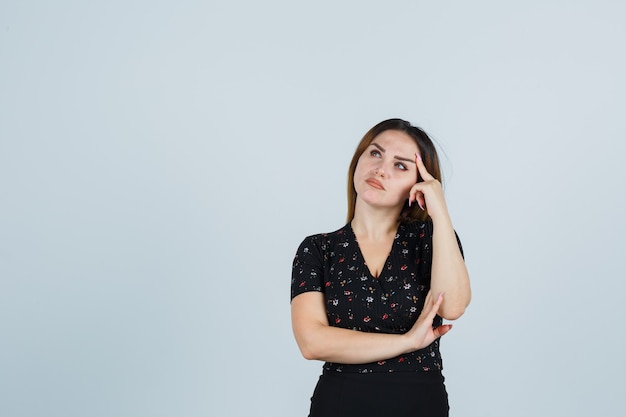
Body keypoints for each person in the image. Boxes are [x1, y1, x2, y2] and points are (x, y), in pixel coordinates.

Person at [290, 118, 471, 417]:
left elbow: (452, 305)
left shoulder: (431, 238)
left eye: (401, 165)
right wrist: (407, 342)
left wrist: (440, 211)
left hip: (419, 404)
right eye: (375, 153)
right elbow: (311, 342)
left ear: (419, 184)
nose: (381, 169)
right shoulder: (318, 249)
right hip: (339, 403)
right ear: (358, 159)